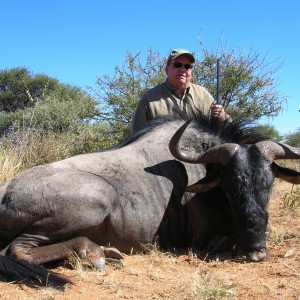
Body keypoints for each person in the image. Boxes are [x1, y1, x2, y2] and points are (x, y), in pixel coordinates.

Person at [131, 48, 230, 134]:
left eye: (187, 66)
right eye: (177, 65)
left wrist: (222, 118)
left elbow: (227, 127)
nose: (183, 69)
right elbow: (137, 136)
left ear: (191, 71)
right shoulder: (150, 98)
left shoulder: (203, 94)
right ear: (167, 69)